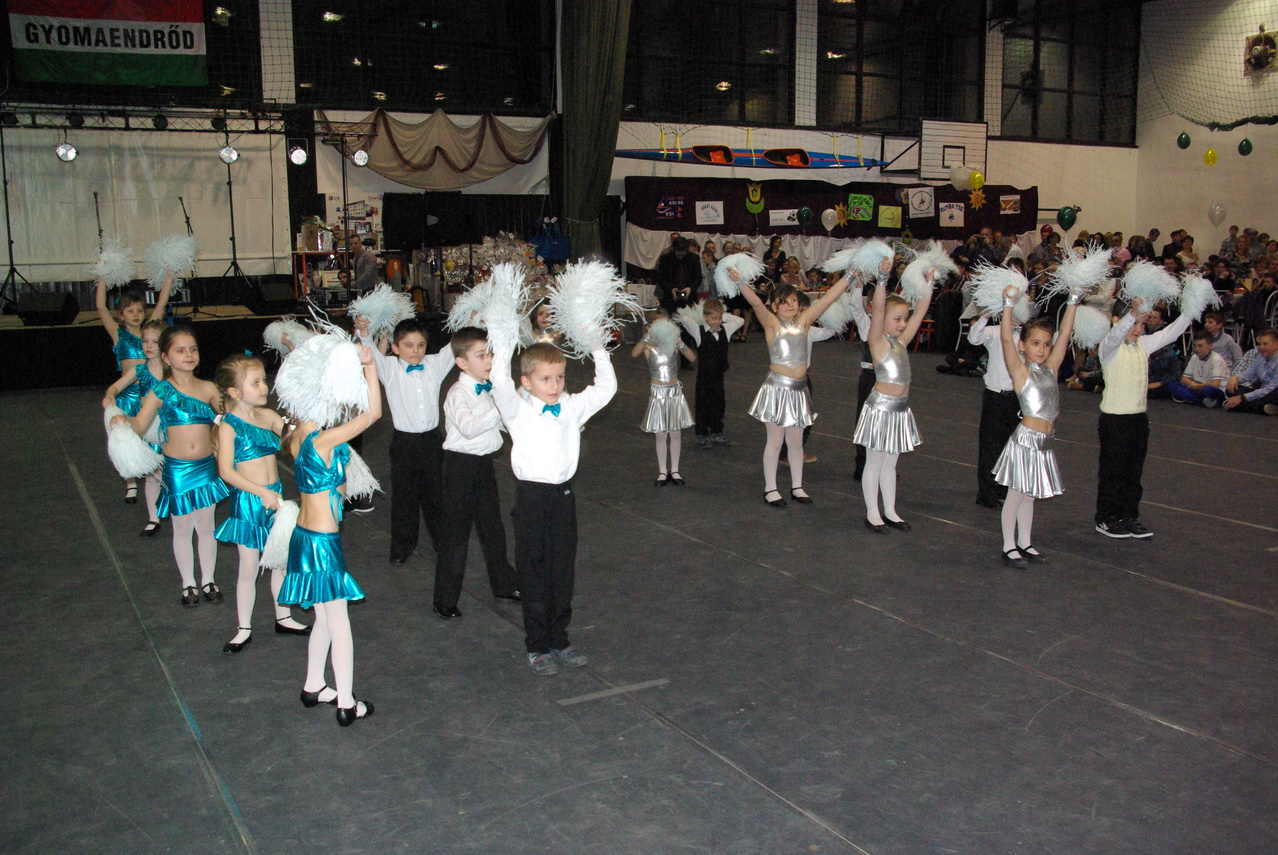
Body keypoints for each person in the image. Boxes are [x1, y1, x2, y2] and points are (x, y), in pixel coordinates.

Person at [490, 340, 617, 676]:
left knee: (562, 570)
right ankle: (537, 645)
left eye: (560, 377)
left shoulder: (571, 407)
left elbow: (606, 388)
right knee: (533, 571)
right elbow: (499, 382)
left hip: (562, 498)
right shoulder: (517, 410)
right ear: (526, 381)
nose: (555, 385)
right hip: (531, 498)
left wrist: (598, 348)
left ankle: (559, 638)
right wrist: (502, 340)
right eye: (545, 379)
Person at [279, 340, 382, 726]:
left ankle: (313, 685)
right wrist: (369, 366)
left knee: (323, 616)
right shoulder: (323, 440)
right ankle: (346, 702)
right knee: (340, 623)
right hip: (322, 542)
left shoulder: (297, 436)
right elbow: (374, 413)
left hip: (303, 537)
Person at [113, 326, 229, 605]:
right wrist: (121, 421)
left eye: (193, 349)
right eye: (180, 350)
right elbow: (140, 425)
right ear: (166, 357)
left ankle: (209, 579)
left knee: (206, 526)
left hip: (206, 467)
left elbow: (230, 418)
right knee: (183, 528)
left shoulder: (208, 388)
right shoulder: (161, 390)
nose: (188, 355)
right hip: (177, 470)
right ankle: (188, 582)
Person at [213, 353, 312, 653]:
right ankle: (243, 627)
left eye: (263, 381)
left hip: (275, 498)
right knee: (249, 567)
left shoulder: (268, 416)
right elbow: (226, 471)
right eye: (255, 383)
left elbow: (294, 441)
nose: (264, 387)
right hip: (249, 502)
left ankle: (284, 616)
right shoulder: (229, 426)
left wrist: (304, 419)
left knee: (279, 559)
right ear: (234, 391)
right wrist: (260, 492)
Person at [739, 264, 855, 508]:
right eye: (783, 302)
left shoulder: (804, 322)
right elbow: (756, 303)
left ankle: (797, 486)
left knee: (796, 442)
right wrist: (739, 281)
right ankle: (770, 488)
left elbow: (828, 299)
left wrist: (850, 276)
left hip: (799, 389)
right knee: (775, 441)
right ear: (774, 307)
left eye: (793, 300)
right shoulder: (772, 324)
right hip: (777, 389)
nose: (790, 304)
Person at [432, 327, 521, 620]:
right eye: (481, 355)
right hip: (459, 467)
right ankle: (444, 599)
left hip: (483, 466)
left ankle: (504, 585)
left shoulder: (488, 387)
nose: (489, 360)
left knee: (493, 528)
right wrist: (498, 406)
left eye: (490, 354)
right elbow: (470, 428)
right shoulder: (457, 393)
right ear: (461, 362)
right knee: (456, 534)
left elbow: (504, 425)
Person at [992, 284, 1080, 568]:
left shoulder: (1051, 369)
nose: (1041, 349)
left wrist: (1074, 300)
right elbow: (1006, 339)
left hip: (1043, 443)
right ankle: (1009, 546)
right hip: (1026, 441)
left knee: (1029, 496)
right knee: (1016, 495)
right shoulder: (1021, 371)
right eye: (1035, 343)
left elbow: (1065, 334)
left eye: (1045, 344)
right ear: (1023, 345)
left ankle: (1025, 542)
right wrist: (1008, 305)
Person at [356, 316, 454, 566]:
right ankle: (402, 547)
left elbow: (454, 347)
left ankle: (443, 543)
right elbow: (371, 354)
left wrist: (471, 319)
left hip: (432, 441)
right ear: (395, 347)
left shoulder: (434, 364)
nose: (416, 351)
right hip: (404, 443)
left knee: (437, 495)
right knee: (404, 497)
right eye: (408, 345)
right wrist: (364, 332)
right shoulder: (389, 369)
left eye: (421, 345)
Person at [1093, 296, 1193, 538]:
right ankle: (1106, 518)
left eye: (1142, 324)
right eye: (1134, 323)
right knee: (1113, 472)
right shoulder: (1109, 348)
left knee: (1133, 472)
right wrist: (1132, 315)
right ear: (1116, 321)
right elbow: (1116, 335)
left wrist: (1191, 310)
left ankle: (1128, 515)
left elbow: (1170, 333)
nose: (1138, 329)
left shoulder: (1143, 345)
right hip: (1114, 421)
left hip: (1138, 420)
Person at [853, 260, 935, 532]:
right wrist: (881, 279)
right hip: (880, 409)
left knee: (890, 463)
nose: (903, 324)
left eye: (904, 319)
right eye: (897, 319)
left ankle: (890, 510)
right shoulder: (877, 341)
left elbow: (920, 310)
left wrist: (929, 283)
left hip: (899, 410)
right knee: (874, 462)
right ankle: (872, 513)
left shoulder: (901, 342)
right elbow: (878, 309)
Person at [95, 273, 174, 503]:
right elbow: (100, 307)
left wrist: (169, 274)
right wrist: (103, 277)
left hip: (149, 394)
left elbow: (161, 303)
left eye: (139, 310)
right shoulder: (118, 334)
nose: (136, 314)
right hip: (127, 395)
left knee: (151, 437)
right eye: (130, 311)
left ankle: (154, 475)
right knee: (125, 437)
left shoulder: (150, 332)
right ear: (121, 315)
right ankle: (130, 481)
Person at [102, 319, 168, 536]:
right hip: (147, 425)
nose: (148, 346)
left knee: (170, 472)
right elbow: (115, 387)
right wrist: (110, 395)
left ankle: (179, 511)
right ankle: (153, 517)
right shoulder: (140, 369)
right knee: (152, 473)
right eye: (145, 341)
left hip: (170, 427)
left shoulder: (172, 371)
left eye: (154, 342)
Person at [632, 312, 697, 485]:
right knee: (660, 435)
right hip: (658, 393)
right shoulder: (648, 348)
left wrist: (680, 343)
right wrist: (647, 337)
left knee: (675, 433)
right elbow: (634, 353)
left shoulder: (674, 347)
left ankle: (675, 470)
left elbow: (692, 357)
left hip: (674, 391)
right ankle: (662, 471)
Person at [967, 312, 1021, 509]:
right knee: (990, 445)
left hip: (1018, 397)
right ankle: (986, 492)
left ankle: (1003, 488)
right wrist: (984, 317)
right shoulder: (994, 332)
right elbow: (973, 338)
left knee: (1012, 446)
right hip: (995, 396)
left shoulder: (1026, 336)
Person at [677, 298, 744, 449]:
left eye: (719, 318)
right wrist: (699, 316)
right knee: (702, 404)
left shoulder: (725, 330)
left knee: (719, 404)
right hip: (704, 377)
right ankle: (701, 433)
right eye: (713, 318)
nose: (717, 322)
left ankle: (716, 431)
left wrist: (723, 314)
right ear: (705, 317)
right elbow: (684, 318)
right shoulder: (698, 331)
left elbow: (740, 320)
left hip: (719, 376)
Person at [1222, 328, 1278, 414]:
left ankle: (1240, 405)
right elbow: (1248, 374)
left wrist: (1243, 397)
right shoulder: (1259, 357)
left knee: (1274, 392)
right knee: (1231, 389)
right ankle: (1264, 408)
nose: (1261, 347)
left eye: (1265, 344)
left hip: (1273, 392)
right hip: (1262, 392)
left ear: (1276, 345)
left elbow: (1271, 388)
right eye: (1259, 344)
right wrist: (1235, 378)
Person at [1167, 329, 1229, 407]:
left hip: (1214, 390)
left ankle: (1196, 400)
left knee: (1207, 389)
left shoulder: (1216, 359)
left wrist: (1196, 386)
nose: (1196, 349)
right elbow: (1184, 379)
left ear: (1210, 346)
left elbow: (1215, 384)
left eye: (1200, 346)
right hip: (1198, 388)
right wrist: (1193, 385)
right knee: (1172, 385)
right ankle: (1202, 401)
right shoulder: (1194, 357)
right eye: (1194, 345)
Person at [1143, 306, 1183, 400]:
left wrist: (1160, 383)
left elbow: (1175, 374)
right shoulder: (1141, 332)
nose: (1151, 320)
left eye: (1155, 318)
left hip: (1163, 377)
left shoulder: (1166, 337)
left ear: (1161, 321)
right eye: (1149, 317)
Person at [655, 236, 701, 315]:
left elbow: (698, 277)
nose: (680, 256)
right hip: (669, 299)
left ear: (687, 250)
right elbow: (661, 278)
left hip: (689, 298)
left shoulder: (694, 258)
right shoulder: (665, 259)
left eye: (683, 254)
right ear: (673, 249)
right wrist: (671, 290)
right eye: (678, 254)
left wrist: (690, 288)